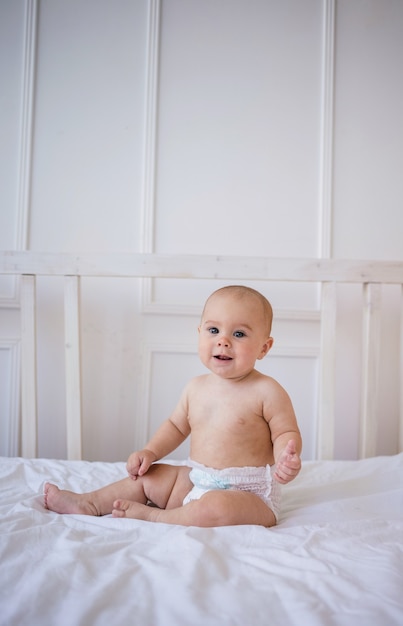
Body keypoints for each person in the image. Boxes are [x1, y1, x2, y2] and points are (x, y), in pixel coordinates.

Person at [44, 285, 302, 528]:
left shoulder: (267, 391)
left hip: (247, 495)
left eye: (239, 334)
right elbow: (176, 426)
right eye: (213, 330)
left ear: (264, 347)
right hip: (195, 480)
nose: (223, 341)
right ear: (199, 333)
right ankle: (88, 502)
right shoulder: (195, 387)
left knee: (216, 505)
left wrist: (284, 459)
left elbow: (284, 433)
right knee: (149, 478)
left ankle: (156, 517)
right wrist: (150, 452)